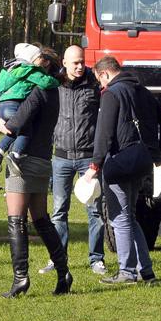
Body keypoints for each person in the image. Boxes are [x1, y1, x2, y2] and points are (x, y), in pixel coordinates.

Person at [82, 56, 161, 285]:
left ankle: (127, 272)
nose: (101, 86)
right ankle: (147, 272)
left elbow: (104, 134)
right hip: (142, 160)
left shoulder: (112, 93)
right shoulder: (141, 90)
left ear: (104, 74)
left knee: (119, 218)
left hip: (121, 162)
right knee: (130, 217)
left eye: (100, 81)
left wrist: (95, 165)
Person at [0, 51, 71, 298]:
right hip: (42, 159)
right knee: (41, 220)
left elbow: (15, 123)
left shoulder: (36, 91)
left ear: (44, 64)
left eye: (35, 60)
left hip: (23, 161)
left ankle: (20, 278)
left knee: (16, 220)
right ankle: (63, 272)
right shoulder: (54, 91)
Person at [39, 45, 106, 276]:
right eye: (75, 62)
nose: (80, 66)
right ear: (65, 63)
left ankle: (96, 259)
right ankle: (57, 258)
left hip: (89, 159)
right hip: (62, 158)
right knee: (58, 211)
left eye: (82, 61)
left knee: (95, 211)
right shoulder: (54, 84)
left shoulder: (94, 84)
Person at [0, 43, 59, 175]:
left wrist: (0, 121)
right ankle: (15, 154)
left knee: (17, 129)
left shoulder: (11, 70)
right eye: (39, 57)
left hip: (3, 105)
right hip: (15, 105)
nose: (42, 60)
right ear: (31, 59)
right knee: (26, 130)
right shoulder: (30, 70)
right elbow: (45, 82)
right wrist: (57, 82)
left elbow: (1, 87)